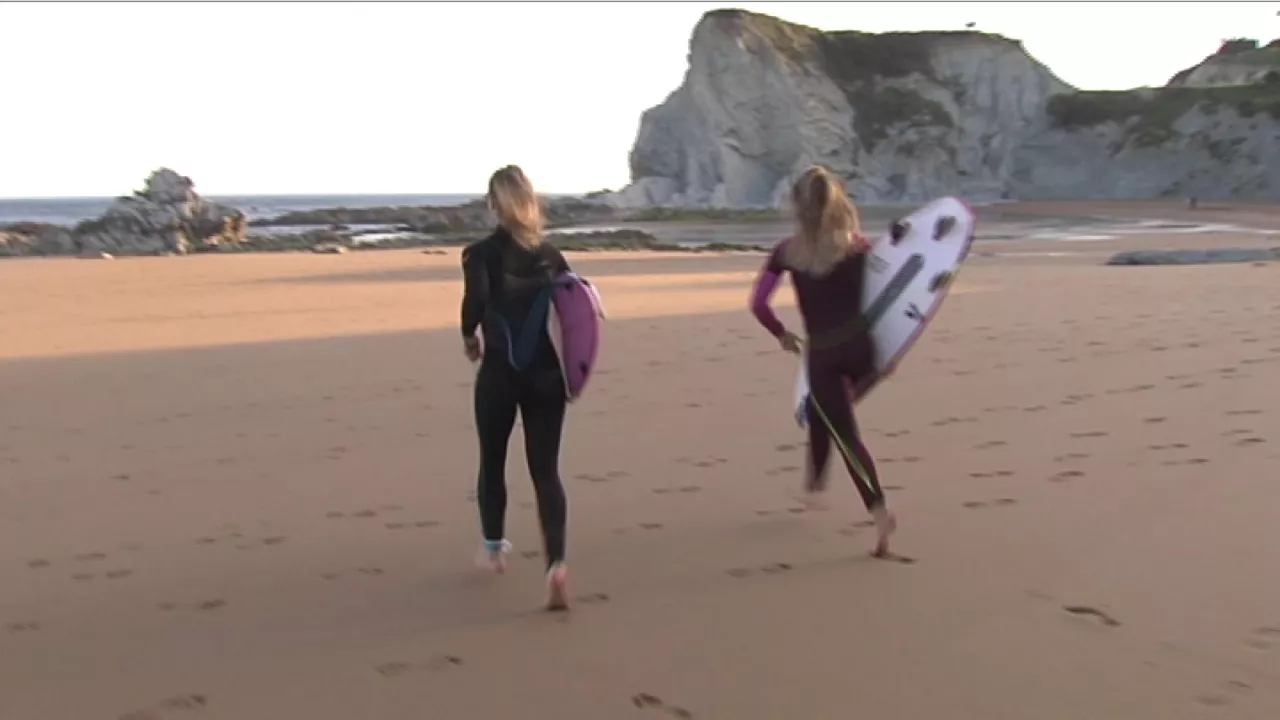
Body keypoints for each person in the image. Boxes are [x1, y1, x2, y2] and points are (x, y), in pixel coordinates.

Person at [748, 165, 897, 557]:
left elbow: (758, 304)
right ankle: (813, 484)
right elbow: (889, 297)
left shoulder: (787, 252)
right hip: (864, 350)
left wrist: (781, 333)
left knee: (846, 435)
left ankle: (879, 511)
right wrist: (890, 352)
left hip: (825, 355)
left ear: (797, 206)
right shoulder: (858, 247)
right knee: (822, 410)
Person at [460, 165, 572, 610]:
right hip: (548, 376)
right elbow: (575, 311)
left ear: (493, 204)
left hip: (500, 375)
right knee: (546, 471)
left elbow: (475, 303)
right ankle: (556, 565)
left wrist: (469, 337)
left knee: (492, 459)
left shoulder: (479, 254)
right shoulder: (551, 255)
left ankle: (494, 549)